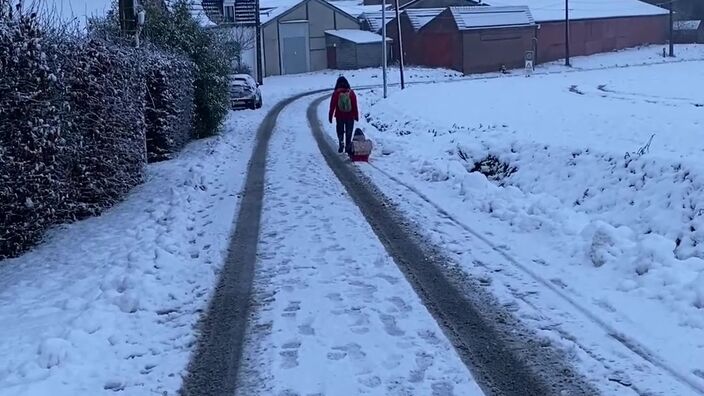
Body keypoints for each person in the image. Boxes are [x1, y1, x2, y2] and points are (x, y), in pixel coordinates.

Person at [328, 76, 359, 154]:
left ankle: (341, 141)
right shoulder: (351, 92)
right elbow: (355, 105)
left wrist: (330, 116)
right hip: (350, 116)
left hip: (339, 116)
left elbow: (332, 105)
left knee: (340, 130)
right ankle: (348, 146)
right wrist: (356, 116)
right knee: (349, 132)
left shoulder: (336, 93)